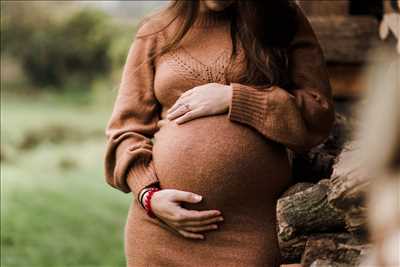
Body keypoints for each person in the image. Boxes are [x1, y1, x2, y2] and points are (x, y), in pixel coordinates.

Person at [103, 0, 335, 266]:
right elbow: (125, 129)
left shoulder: (282, 18)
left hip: (249, 232)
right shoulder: (156, 30)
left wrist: (237, 98)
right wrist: (149, 195)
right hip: (160, 231)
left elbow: (318, 113)